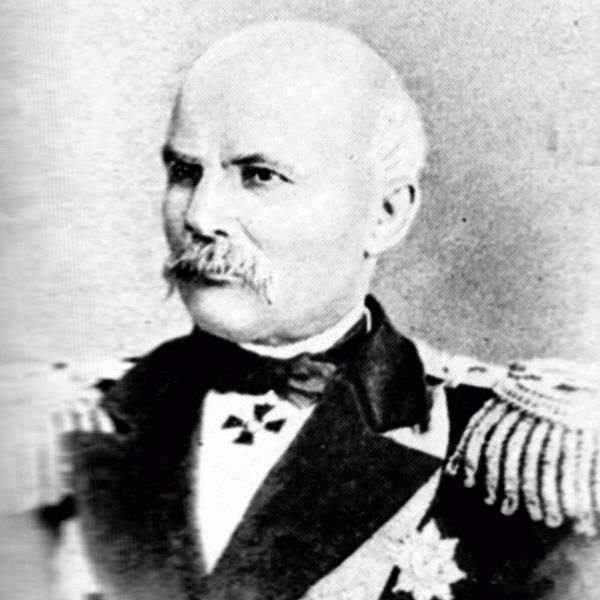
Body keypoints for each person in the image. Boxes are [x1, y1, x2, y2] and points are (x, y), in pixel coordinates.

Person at [3, 20, 599, 600]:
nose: (200, 216)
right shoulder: (48, 432)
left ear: (385, 214)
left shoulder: (521, 456)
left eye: (259, 176)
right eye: (185, 172)